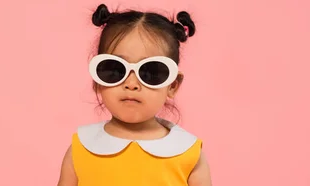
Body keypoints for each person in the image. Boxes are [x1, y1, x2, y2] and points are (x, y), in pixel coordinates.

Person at [57, 4, 212, 186]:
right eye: (115, 70)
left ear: (173, 85)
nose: (131, 84)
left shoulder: (187, 152)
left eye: (151, 73)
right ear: (97, 80)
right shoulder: (82, 148)